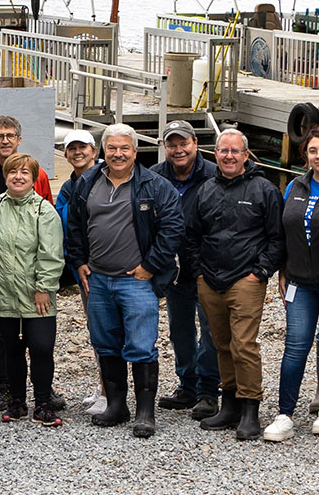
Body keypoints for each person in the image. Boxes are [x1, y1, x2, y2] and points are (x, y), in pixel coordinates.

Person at [66, 124, 184, 438]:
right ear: (103, 151)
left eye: (124, 148)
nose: (118, 154)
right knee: (106, 344)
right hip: (99, 281)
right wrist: (78, 261)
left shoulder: (154, 186)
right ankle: (117, 406)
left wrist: (151, 265)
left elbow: (173, 229)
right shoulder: (87, 182)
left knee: (142, 346)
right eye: (112, 148)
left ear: (135, 151)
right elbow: (75, 225)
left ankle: (146, 413)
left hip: (137, 282)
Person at [184, 128, 284, 441]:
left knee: (244, 344)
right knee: (220, 343)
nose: (229, 156)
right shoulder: (205, 190)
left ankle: (250, 407)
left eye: (235, 151)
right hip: (210, 280)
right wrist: (199, 271)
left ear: (245, 155)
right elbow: (191, 236)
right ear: (215, 154)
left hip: (246, 279)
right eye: (223, 151)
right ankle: (229, 405)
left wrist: (260, 271)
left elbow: (277, 238)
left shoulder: (263, 189)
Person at [264, 125, 319, 442]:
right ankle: (284, 414)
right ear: (306, 155)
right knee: (295, 347)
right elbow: (285, 233)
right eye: (313, 150)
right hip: (298, 281)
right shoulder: (295, 187)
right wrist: (283, 269)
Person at [0, 153, 65, 426]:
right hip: (2, 293)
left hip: (36, 295)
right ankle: (16, 401)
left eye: (25, 172)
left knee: (40, 347)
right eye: (13, 172)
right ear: (6, 176)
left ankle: (43, 402)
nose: (18, 177)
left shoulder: (44, 211)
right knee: (10, 349)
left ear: (34, 178)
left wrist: (44, 288)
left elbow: (51, 254)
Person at [0, 115, 53, 412]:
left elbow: (49, 238)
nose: (5, 140)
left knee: (39, 343)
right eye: (0, 136)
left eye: (11, 135)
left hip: (32, 281)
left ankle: (44, 392)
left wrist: (45, 283)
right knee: (2, 339)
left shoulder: (39, 179)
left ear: (19, 139)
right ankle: (6, 389)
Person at [148, 120, 222, 421]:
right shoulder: (154, 177)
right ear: (165, 147)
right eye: (172, 144)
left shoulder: (214, 174)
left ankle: (208, 390)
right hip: (171, 267)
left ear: (195, 143)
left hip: (206, 267)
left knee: (210, 330)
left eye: (183, 143)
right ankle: (187, 384)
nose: (178, 149)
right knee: (180, 330)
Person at [53, 129, 107, 415]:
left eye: (83, 148)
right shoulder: (66, 188)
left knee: (110, 331)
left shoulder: (106, 181)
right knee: (96, 331)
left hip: (106, 266)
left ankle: (111, 391)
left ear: (94, 151)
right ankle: (103, 386)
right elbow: (63, 224)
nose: (77, 152)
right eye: (71, 148)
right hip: (81, 267)